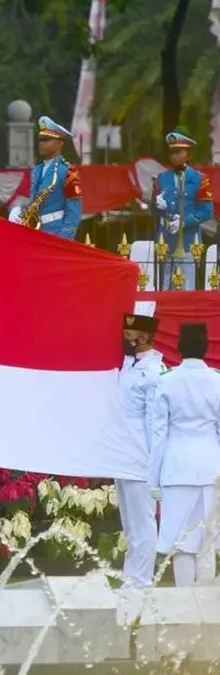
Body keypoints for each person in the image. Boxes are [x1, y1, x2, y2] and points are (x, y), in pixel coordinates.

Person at [148, 322, 220, 586]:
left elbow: (159, 436)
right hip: (212, 466)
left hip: (177, 466)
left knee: (181, 543)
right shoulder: (217, 381)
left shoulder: (167, 382)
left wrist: (152, 479)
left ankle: (183, 607)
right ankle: (205, 610)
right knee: (208, 541)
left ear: (179, 347)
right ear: (205, 347)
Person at [116, 310, 166, 588]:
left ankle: (142, 581)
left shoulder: (155, 373)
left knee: (143, 521)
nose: (125, 337)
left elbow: (155, 424)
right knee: (130, 524)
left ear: (145, 336)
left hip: (140, 455)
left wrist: (154, 466)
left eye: (130, 333)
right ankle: (131, 579)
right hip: (121, 453)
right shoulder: (130, 364)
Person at [152, 131, 214, 290]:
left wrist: (184, 221)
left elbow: (207, 210)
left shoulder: (200, 179)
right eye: (171, 152)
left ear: (189, 155)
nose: (173, 156)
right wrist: (158, 207)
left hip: (188, 241)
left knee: (186, 285)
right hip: (166, 240)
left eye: (178, 152)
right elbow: (154, 209)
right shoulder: (161, 178)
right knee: (165, 285)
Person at [8, 116, 82, 239]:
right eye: (40, 139)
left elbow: (73, 213)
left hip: (55, 233)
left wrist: (63, 240)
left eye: (47, 139)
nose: (41, 143)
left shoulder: (68, 171)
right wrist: (19, 210)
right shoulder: (36, 171)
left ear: (60, 143)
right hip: (32, 233)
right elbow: (30, 200)